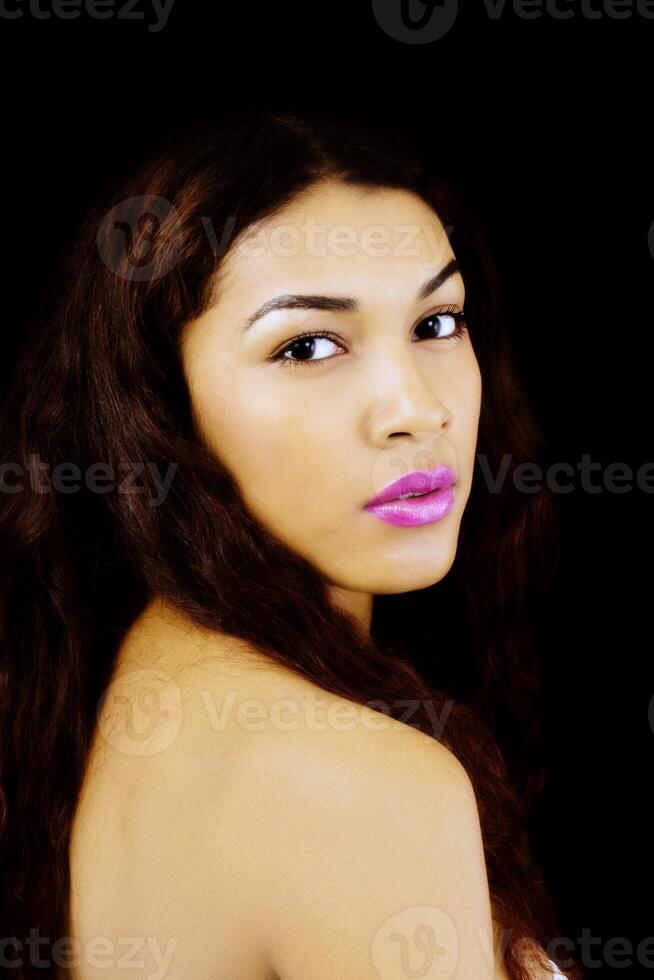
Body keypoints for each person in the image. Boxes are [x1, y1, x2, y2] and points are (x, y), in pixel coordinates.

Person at [0, 106, 582, 980]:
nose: (416, 409)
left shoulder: (147, 669)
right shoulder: (356, 783)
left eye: (435, 324)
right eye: (309, 345)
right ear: (160, 404)